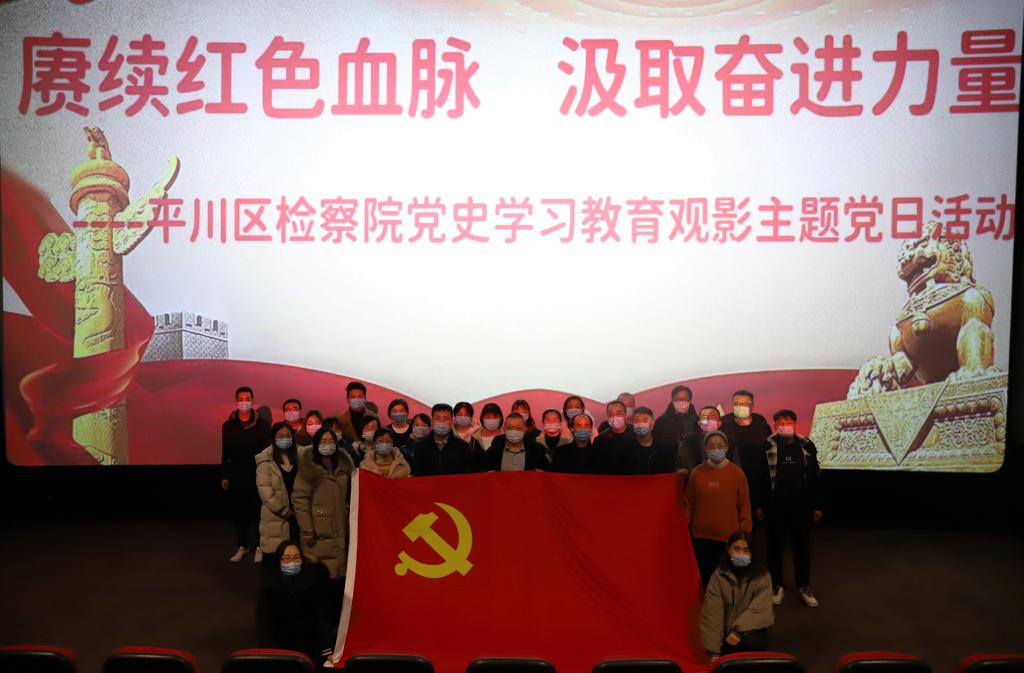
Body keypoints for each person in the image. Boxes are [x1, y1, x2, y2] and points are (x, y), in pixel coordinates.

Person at [292, 427, 355, 619]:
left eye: (331, 441)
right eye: (323, 442)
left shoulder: (344, 467)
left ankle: (336, 620)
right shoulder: (308, 469)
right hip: (318, 532)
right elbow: (299, 499)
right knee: (320, 579)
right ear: (316, 444)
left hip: (341, 528)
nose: (328, 445)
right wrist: (308, 527)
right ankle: (320, 621)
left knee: (338, 578)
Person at [764, 409, 824, 608]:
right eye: (780, 422)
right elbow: (759, 477)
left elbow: (815, 477)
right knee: (775, 548)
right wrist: (760, 505)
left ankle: (803, 585)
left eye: (788, 422)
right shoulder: (766, 445)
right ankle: (776, 585)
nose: (784, 426)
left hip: (801, 506)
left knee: (802, 548)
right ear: (774, 425)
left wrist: (817, 505)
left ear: (795, 424)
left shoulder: (806, 445)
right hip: (775, 506)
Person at [686, 431, 753, 586]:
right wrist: (683, 528)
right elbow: (689, 504)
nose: (716, 449)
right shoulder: (697, 473)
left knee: (726, 579)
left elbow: (744, 506)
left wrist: (744, 535)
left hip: (728, 538)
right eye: (711, 446)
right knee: (704, 578)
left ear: (727, 447)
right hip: (701, 537)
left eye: (720, 446)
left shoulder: (737, 474)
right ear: (705, 449)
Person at [255, 540, 334, 665]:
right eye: (286, 559)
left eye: (296, 558)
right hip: (280, 645)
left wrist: (327, 649)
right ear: (279, 561)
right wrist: (269, 655)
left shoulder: (312, 583)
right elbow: (264, 625)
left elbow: (321, 618)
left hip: (309, 643)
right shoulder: (269, 588)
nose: (292, 563)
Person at [700, 531, 774, 661]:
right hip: (726, 634)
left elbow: (760, 609)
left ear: (752, 553)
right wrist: (714, 652)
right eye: (736, 549)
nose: (741, 554)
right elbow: (712, 614)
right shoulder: (718, 577)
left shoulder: (763, 575)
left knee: (753, 643)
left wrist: (739, 631)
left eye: (746, 550)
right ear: (728, 550)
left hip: (749, 630)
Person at [221, 386, 272, 563]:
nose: (244, 402)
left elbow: (266, 452)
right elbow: (225, 452)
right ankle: (242, 546)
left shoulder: (262, 425)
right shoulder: (228, 425)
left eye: (247, 399)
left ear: (252, 401)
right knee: (239, 514)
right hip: (236, 475)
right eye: (240, 399)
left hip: (257, 475)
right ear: (236, 401)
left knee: (258, 513)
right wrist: (225, 475)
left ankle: (259, 546)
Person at [256, 423, 300, 570]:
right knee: (275, 560)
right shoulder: (265, 459)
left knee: (297, 557)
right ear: (274, 438)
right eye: (281, 436)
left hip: (299, 515)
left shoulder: (302, 455)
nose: (284, 439)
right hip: (276, 516)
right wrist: (284, 511)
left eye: (288, 436)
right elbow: (265, 491)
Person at [409, 403, 477, 476]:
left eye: (446, 419)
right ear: (432, 422)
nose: (441, 422)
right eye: (437, 418)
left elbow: (466, 476)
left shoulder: (463, 447)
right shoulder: (419, 446)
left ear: (452, 422)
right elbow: (417, 475)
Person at [678, 407, 740, 476]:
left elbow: (736, 467)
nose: (708, 420)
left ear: (719, 423)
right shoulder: (689, 440)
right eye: (704, 418)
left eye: (712, 417)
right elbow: (680, 465)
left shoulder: (730, 441)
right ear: (699, 423)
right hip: (696, 479)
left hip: (724, 478)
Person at [482, 413, 547, 471]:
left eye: (518, 428)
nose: (514, 431)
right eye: (510, 428)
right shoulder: (493, 452)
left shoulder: (537, 451)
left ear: (525, 429)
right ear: (504, 429)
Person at [625, 406, 677, 474]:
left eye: (644, 420)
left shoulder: (665, 446)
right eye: (636, 421)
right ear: (632, 424)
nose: (640, 424)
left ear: (652, 424)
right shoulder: (625, 446)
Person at [591, 400, 636, 474]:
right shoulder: (600, 440)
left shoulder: (636, 434)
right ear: (607, 417)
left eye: (619, 413)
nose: (615, 417)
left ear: (625, 416)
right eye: (611, 414)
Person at [453, 401, 485, 469]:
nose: (463, 417)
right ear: (454, 416)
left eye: (466, 415)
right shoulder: (448, 434)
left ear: (471, 417)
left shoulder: (477, 433)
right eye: (459, 414)